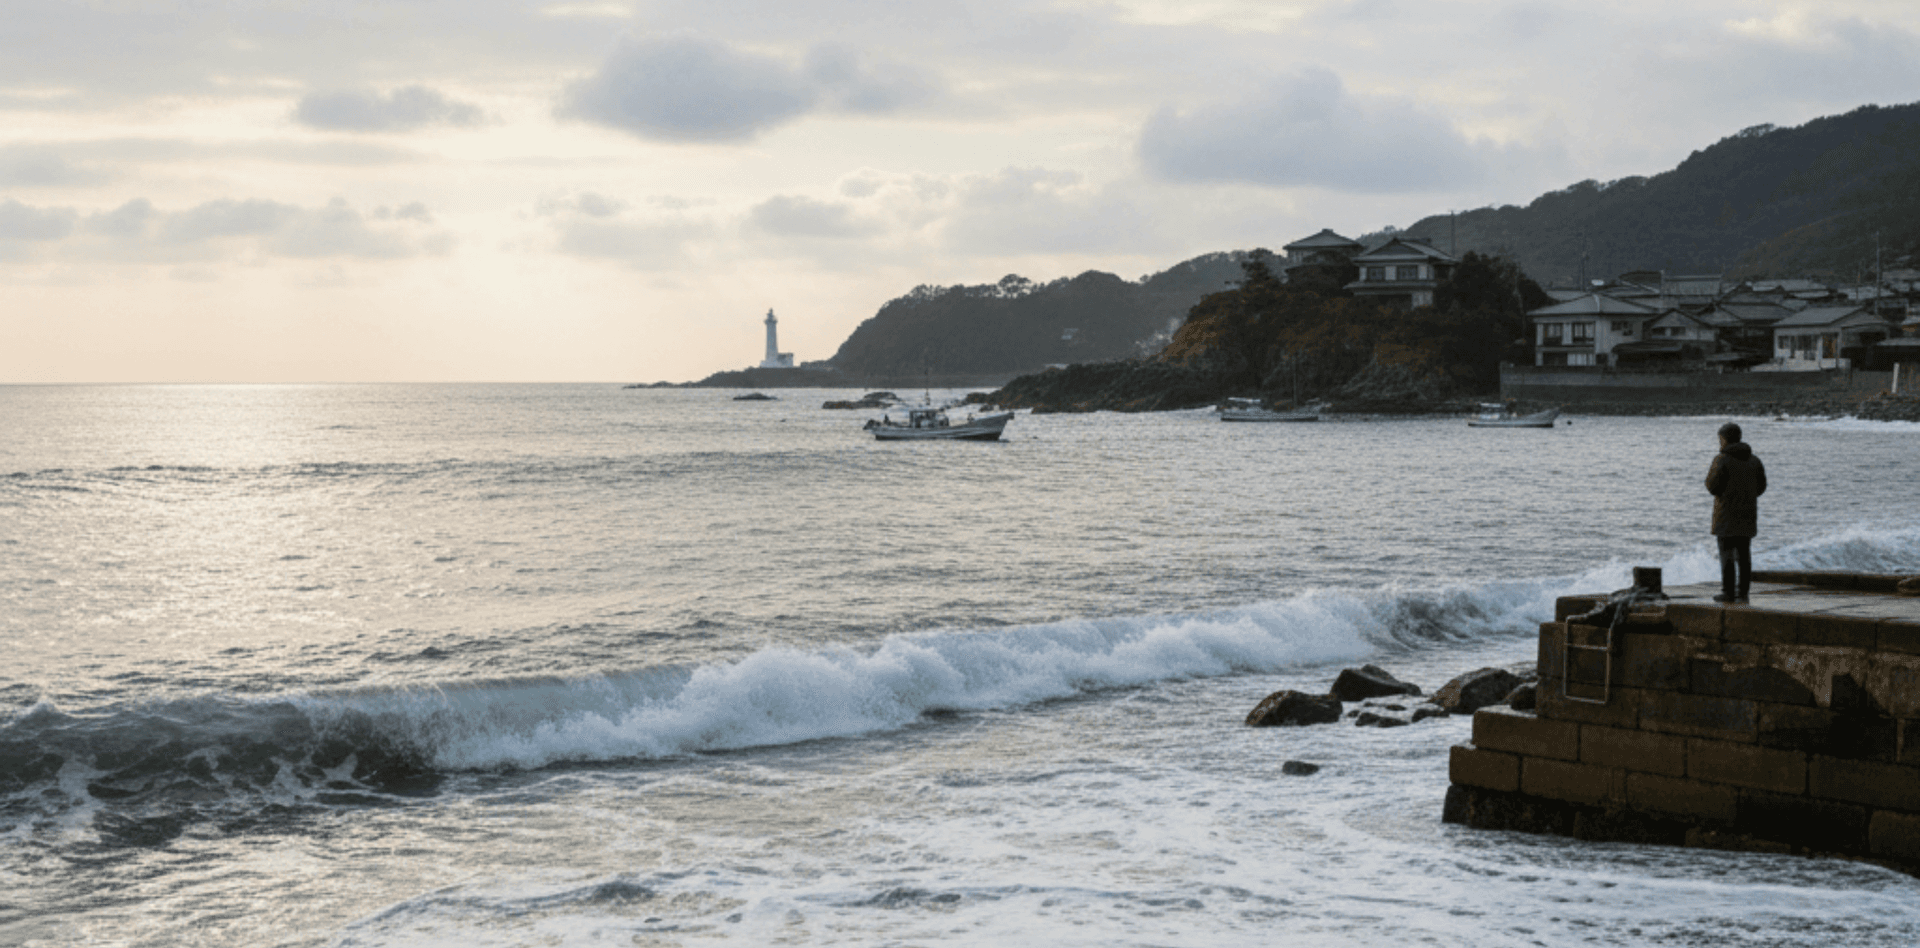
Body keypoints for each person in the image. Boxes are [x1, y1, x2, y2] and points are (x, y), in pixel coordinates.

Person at [1705, 422, 1766, 603]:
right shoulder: (1754, 460)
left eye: (1720, 439)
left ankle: (1728, 592)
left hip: (1725, 515)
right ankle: (1744, 592)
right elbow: (1761, 486)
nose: (1719, 442)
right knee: (1744, 555)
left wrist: (1727, 494)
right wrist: (1747, 496)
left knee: (1727, 555)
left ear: (1725, 439)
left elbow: (1711, 486)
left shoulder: (1721, 459)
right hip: (1748, 514)